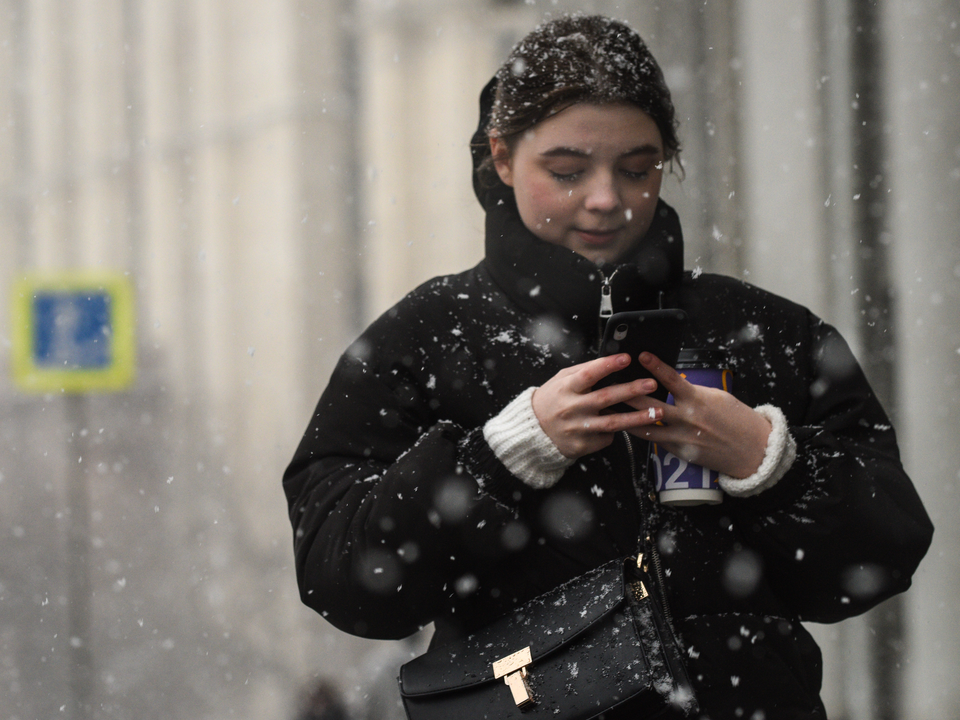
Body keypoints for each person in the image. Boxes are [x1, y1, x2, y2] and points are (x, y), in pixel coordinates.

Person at [283, 14, 933, 719]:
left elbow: (883, 555)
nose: (606, 199)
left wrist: (765, 460)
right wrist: (501, 456)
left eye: (637, 168)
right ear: (502, 157)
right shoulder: (427, 340)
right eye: (566, 171)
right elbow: (342, 578)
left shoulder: (762, 331)